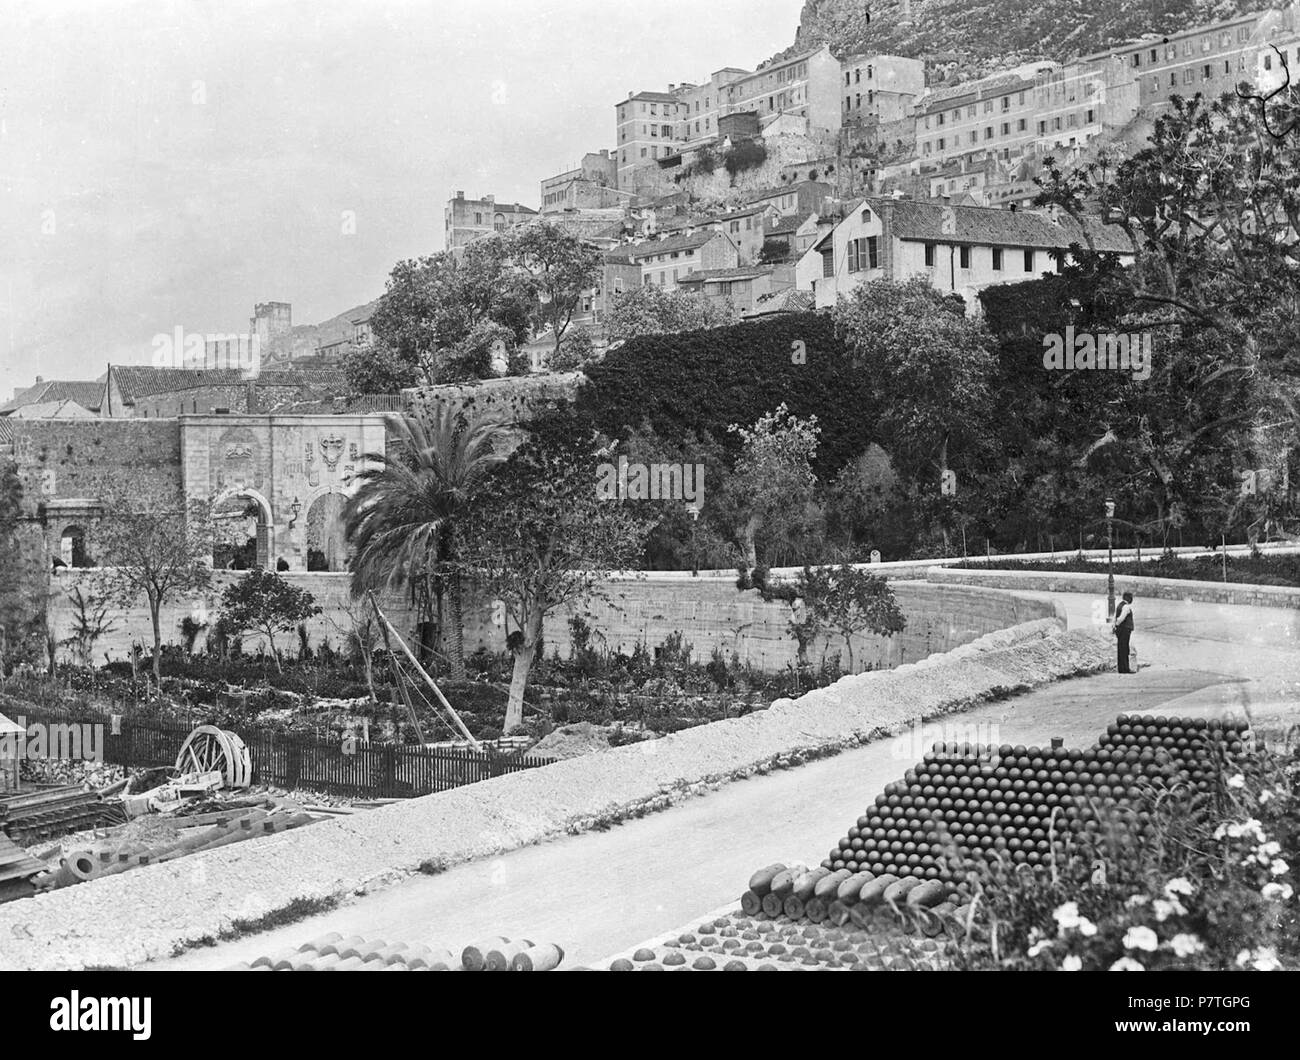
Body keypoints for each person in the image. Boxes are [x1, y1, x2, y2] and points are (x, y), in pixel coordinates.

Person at [1112, 591, 1135, 673]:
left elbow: (1114, 617)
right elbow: (1121, 618)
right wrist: (1118, 624)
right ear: (1128, 598)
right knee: (1125, 649)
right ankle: (1125, 668)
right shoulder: (1126, 607)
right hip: (1125, 630)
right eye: (1131, 597)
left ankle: (1121, 668)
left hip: (1120, 630)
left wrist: (1114, 626)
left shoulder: (1119, 605)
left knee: (1120, 649)